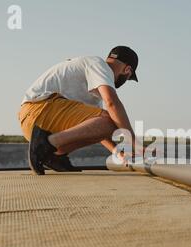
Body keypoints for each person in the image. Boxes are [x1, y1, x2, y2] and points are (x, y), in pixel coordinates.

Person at [18, 46, 140, 175]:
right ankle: (44, 145)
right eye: (128, 77)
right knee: (113, 119)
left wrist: (119, 153)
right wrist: (134, 144)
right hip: (38, 109)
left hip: (33, 120)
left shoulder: (94, 86)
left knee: (105, 123)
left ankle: (53, 155)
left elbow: (98, 129)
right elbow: (112, 104)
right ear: (128, 70)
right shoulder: (99, 64)